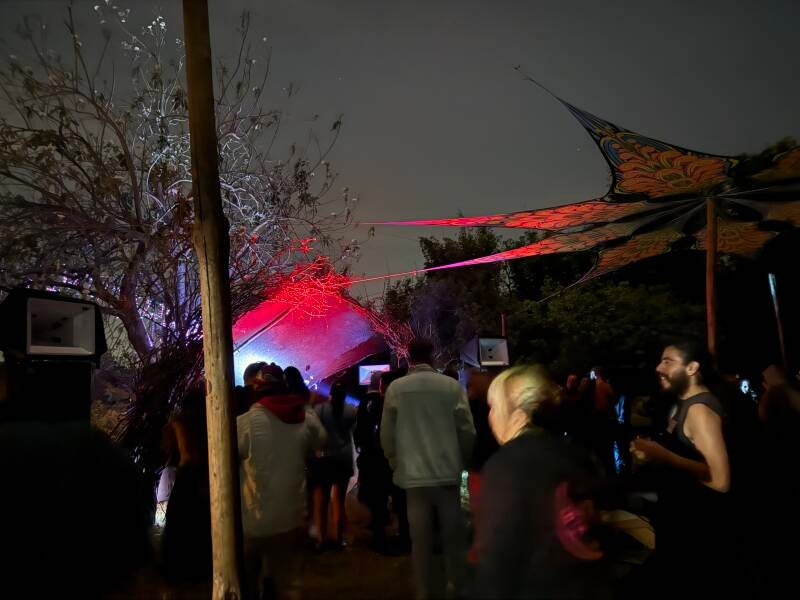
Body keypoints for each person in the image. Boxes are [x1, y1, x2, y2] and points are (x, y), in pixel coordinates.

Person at [473, 365, 610, 599]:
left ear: (518, 416)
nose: (490, 416)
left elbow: (497, 555)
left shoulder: (506, 465)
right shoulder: (574, 453)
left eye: (494, 407)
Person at [630, 341, 733, 596]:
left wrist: (663, 455)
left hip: (695, 536)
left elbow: (721, 481)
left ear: (692, 368)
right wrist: (651, 455)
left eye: (668, 361)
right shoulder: (681, 402)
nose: (658, 367)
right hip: (677, 526)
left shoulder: (700, 410)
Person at [381, 339, 475, 599]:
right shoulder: (451, 386)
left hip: (414, 476)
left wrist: (395, 463)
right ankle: (455, 586)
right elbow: (467, 430)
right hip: (447, 473)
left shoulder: (396, 389)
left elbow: (387, 435)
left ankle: (423, 591)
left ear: (409, 357)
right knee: (453, 538)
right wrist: (462, 460)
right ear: (432, 356)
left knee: (419, 541)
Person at [237, 362, 327, 600]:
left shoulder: (244, 423)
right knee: (283, 585)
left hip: (254, 522)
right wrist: (305, 406)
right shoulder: (303, 417)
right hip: (292, 519)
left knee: (249, 582)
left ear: (255, 390)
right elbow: (321, 440)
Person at [161, 386, 212, 587]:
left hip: (186, 478)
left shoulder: (179, 423)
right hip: (206, 476)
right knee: (200, 527)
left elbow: (184, 455)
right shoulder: (208, 421)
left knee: (180, 528)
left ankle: (180, 573)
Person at [312, 378, 357, 549]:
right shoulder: (351, 410)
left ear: (330, 393)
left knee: (322, 501)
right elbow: (353, 431)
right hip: (343, 458)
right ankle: (338, 538)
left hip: (325, 458)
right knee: (339, 500)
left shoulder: (320, 409)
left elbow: (315, 432)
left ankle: (321, 539)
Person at [465, 368, 498, 563]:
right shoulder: (493, 404)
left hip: (481, 462)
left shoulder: (473, 405)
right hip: (488, 461)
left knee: (480, 506)